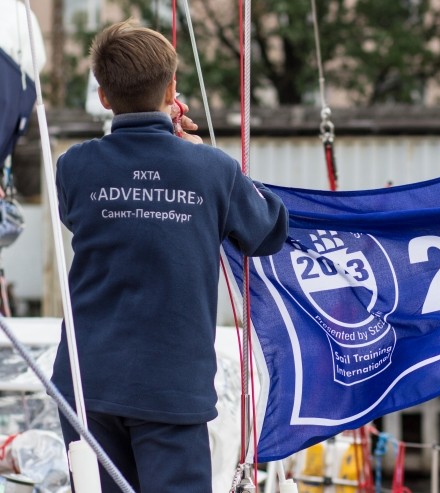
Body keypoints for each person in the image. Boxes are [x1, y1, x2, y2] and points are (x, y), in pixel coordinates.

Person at [51, 20, 288, 492]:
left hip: (86, 382)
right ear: (172, 89)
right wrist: (197, 155)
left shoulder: (74, 166)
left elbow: (87, 217)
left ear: (102, 96)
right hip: (170, 387)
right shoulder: (211, 169)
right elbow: (269, 230)